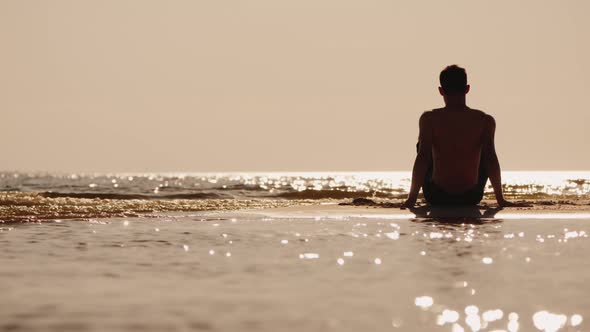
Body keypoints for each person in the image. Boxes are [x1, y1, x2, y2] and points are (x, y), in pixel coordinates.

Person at [402, 65, 521, 208]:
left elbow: (423, 157)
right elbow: (491, 159)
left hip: (437, 196)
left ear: (440, 91)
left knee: (421, 146)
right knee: (486, 151)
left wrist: (411, 200)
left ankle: (414, 196)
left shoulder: (429, 119)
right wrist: (500, 200)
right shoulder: (485, 120)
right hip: (471, 196)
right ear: (467, 89)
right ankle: (498, 196)